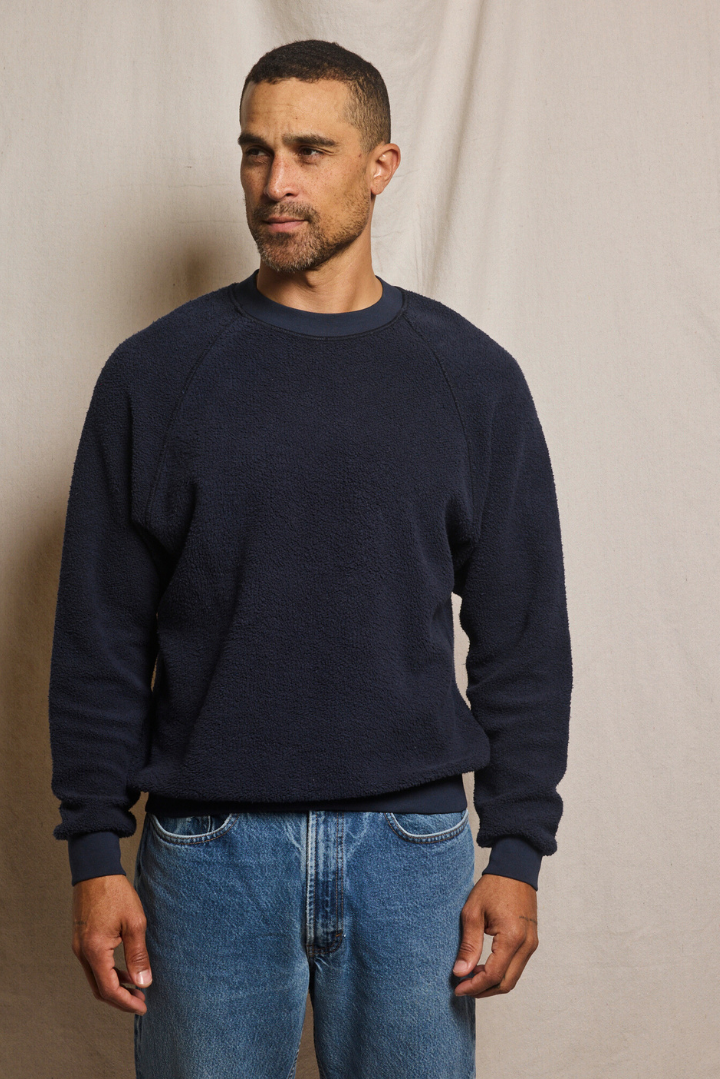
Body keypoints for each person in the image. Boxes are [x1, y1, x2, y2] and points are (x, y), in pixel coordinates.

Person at [49, 38, 572, 1079]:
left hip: (413, 852)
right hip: (209, 850)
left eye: (309, 151)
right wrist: (94, 851)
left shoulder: (469, 379)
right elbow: (99, 636)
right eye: (255, 150)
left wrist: (517, 850)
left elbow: (522, 635)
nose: (275, 181)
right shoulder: (156, 375)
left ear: (381, 166)